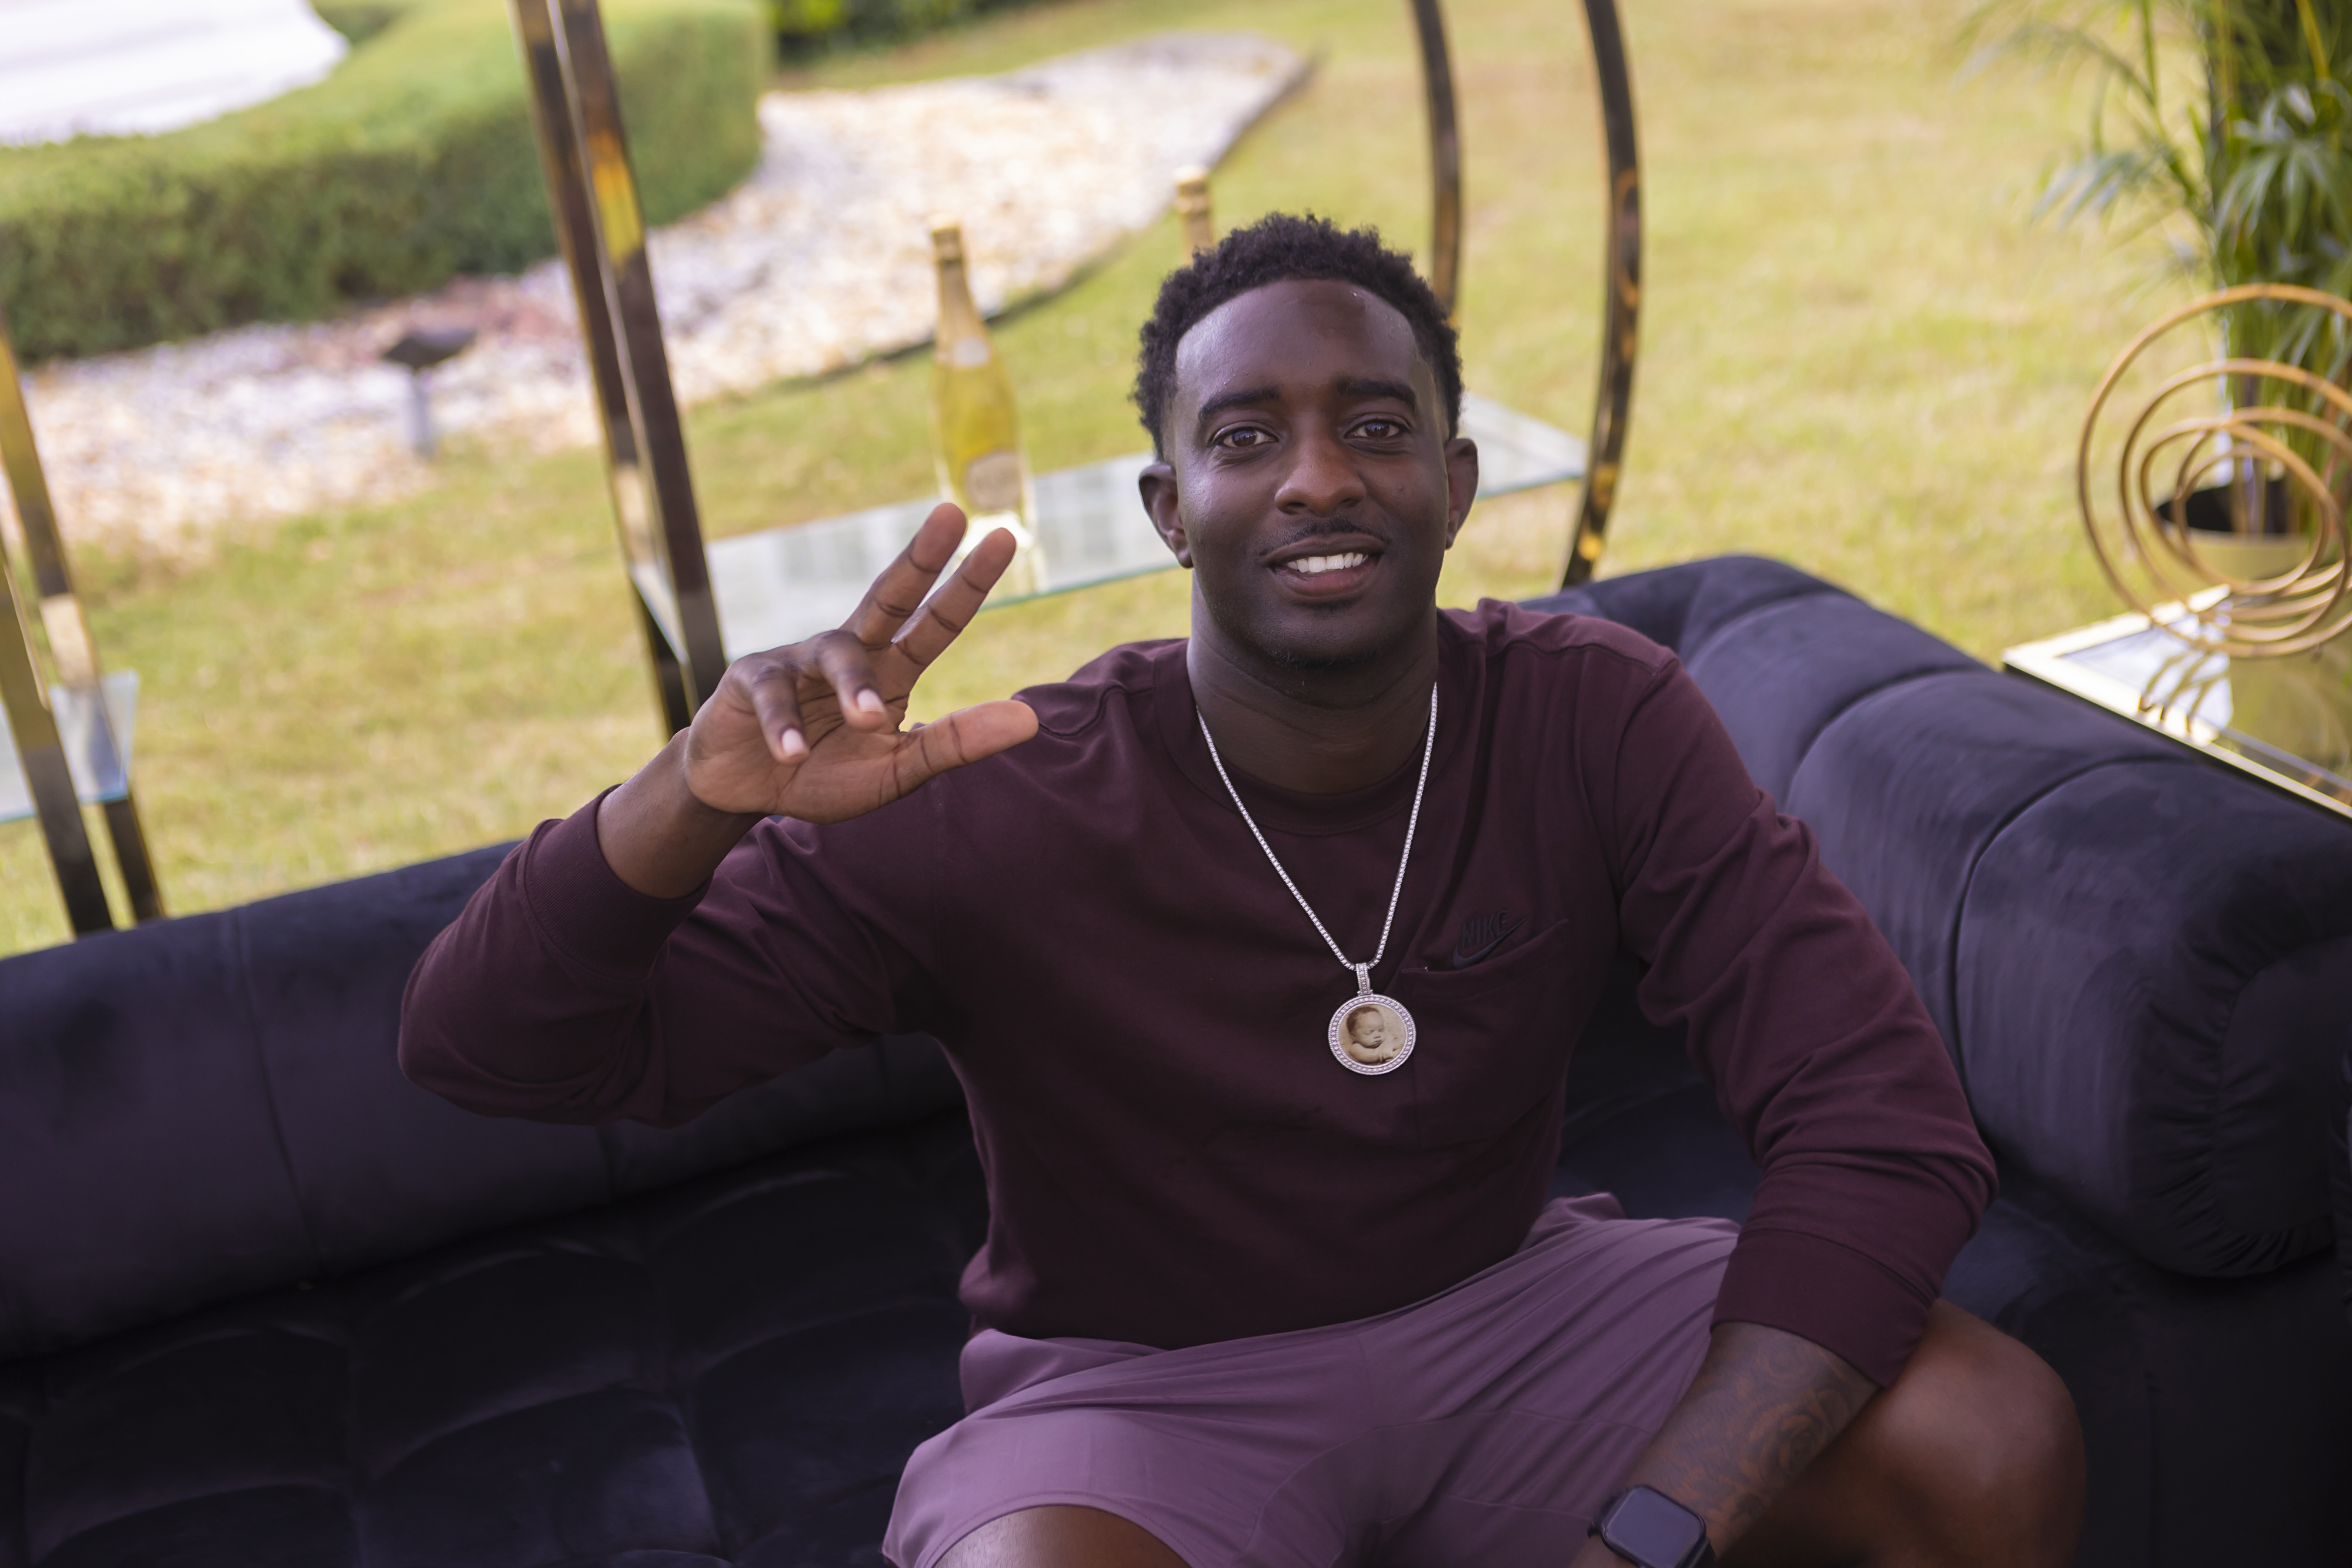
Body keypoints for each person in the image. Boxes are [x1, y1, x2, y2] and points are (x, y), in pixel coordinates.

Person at [401, 215, 2083, 1568]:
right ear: (1168, 509)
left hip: (1518, 1307)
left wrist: (1648, 1534)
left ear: (1456, 483)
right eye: (1246, 436)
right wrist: (689, 793)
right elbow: (495, 1052)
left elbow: (1880, 1122)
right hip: (1152, 1389)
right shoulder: (999, 786)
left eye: (1375, 425)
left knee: (1988, 1433)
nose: (1319, 477)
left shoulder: (1591, 711)